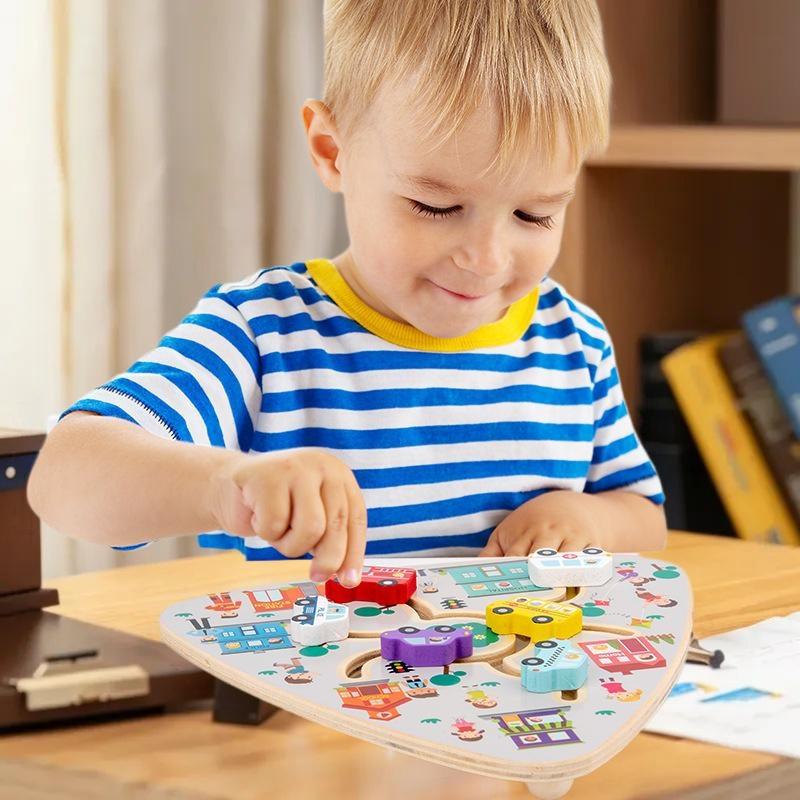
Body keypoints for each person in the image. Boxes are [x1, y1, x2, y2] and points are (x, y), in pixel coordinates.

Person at [27, 0, 667, 589]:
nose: (487, 259)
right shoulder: (265, 332)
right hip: (313, 675)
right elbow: (63, 475)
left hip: (518, 674)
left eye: (535, 214)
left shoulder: (574, 340)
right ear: (332, 152)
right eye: (435, 206)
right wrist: (226, 485)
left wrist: (588, 518)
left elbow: (644, 515)